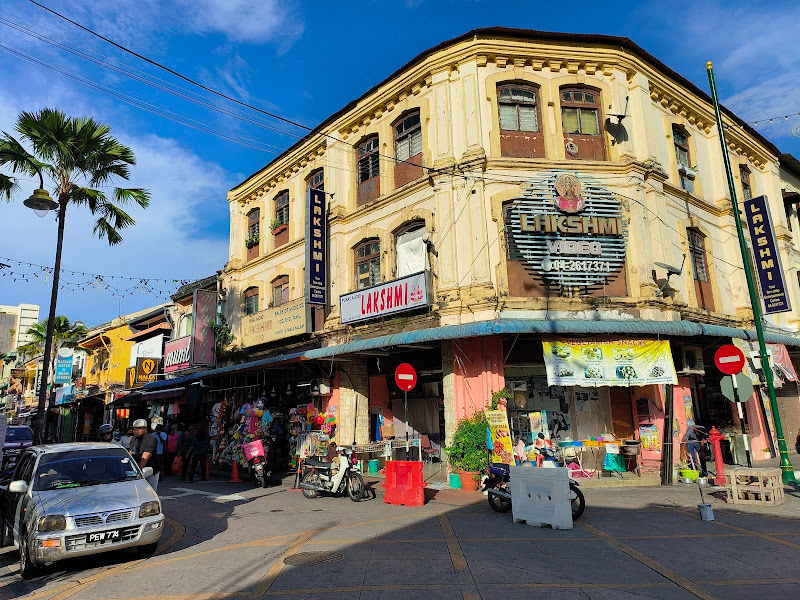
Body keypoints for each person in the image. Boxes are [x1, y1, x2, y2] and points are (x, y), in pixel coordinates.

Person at [130, 418, 160, 490]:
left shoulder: (151, 439)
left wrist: (138, 473)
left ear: (144, 429)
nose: (135, 431)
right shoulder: (134, 438)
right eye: (134, 429)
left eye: (137, 429)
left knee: (150, 492)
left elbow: (145, 458)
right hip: (137, 469)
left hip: (150, 470)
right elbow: (130, 453)